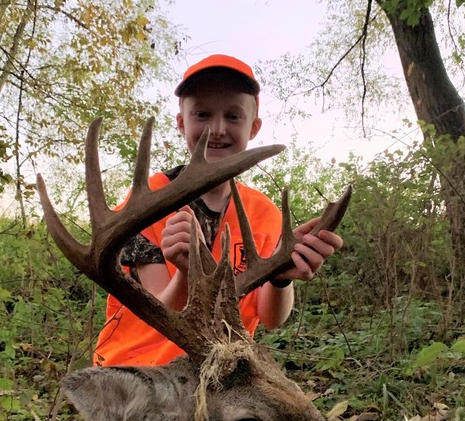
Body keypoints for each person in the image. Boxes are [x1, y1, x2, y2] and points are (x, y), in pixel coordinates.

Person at [94, 54, 343, 367]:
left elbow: (270, 318)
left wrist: (280, 278)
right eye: (202, 114)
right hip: (140, 373)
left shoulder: (263, 214)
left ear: (254, 127)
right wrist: (187, 271)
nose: (218, 128)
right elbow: (157, 317)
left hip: (220, 372)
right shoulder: (146, 204)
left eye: (234, 116)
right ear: (181, 122)